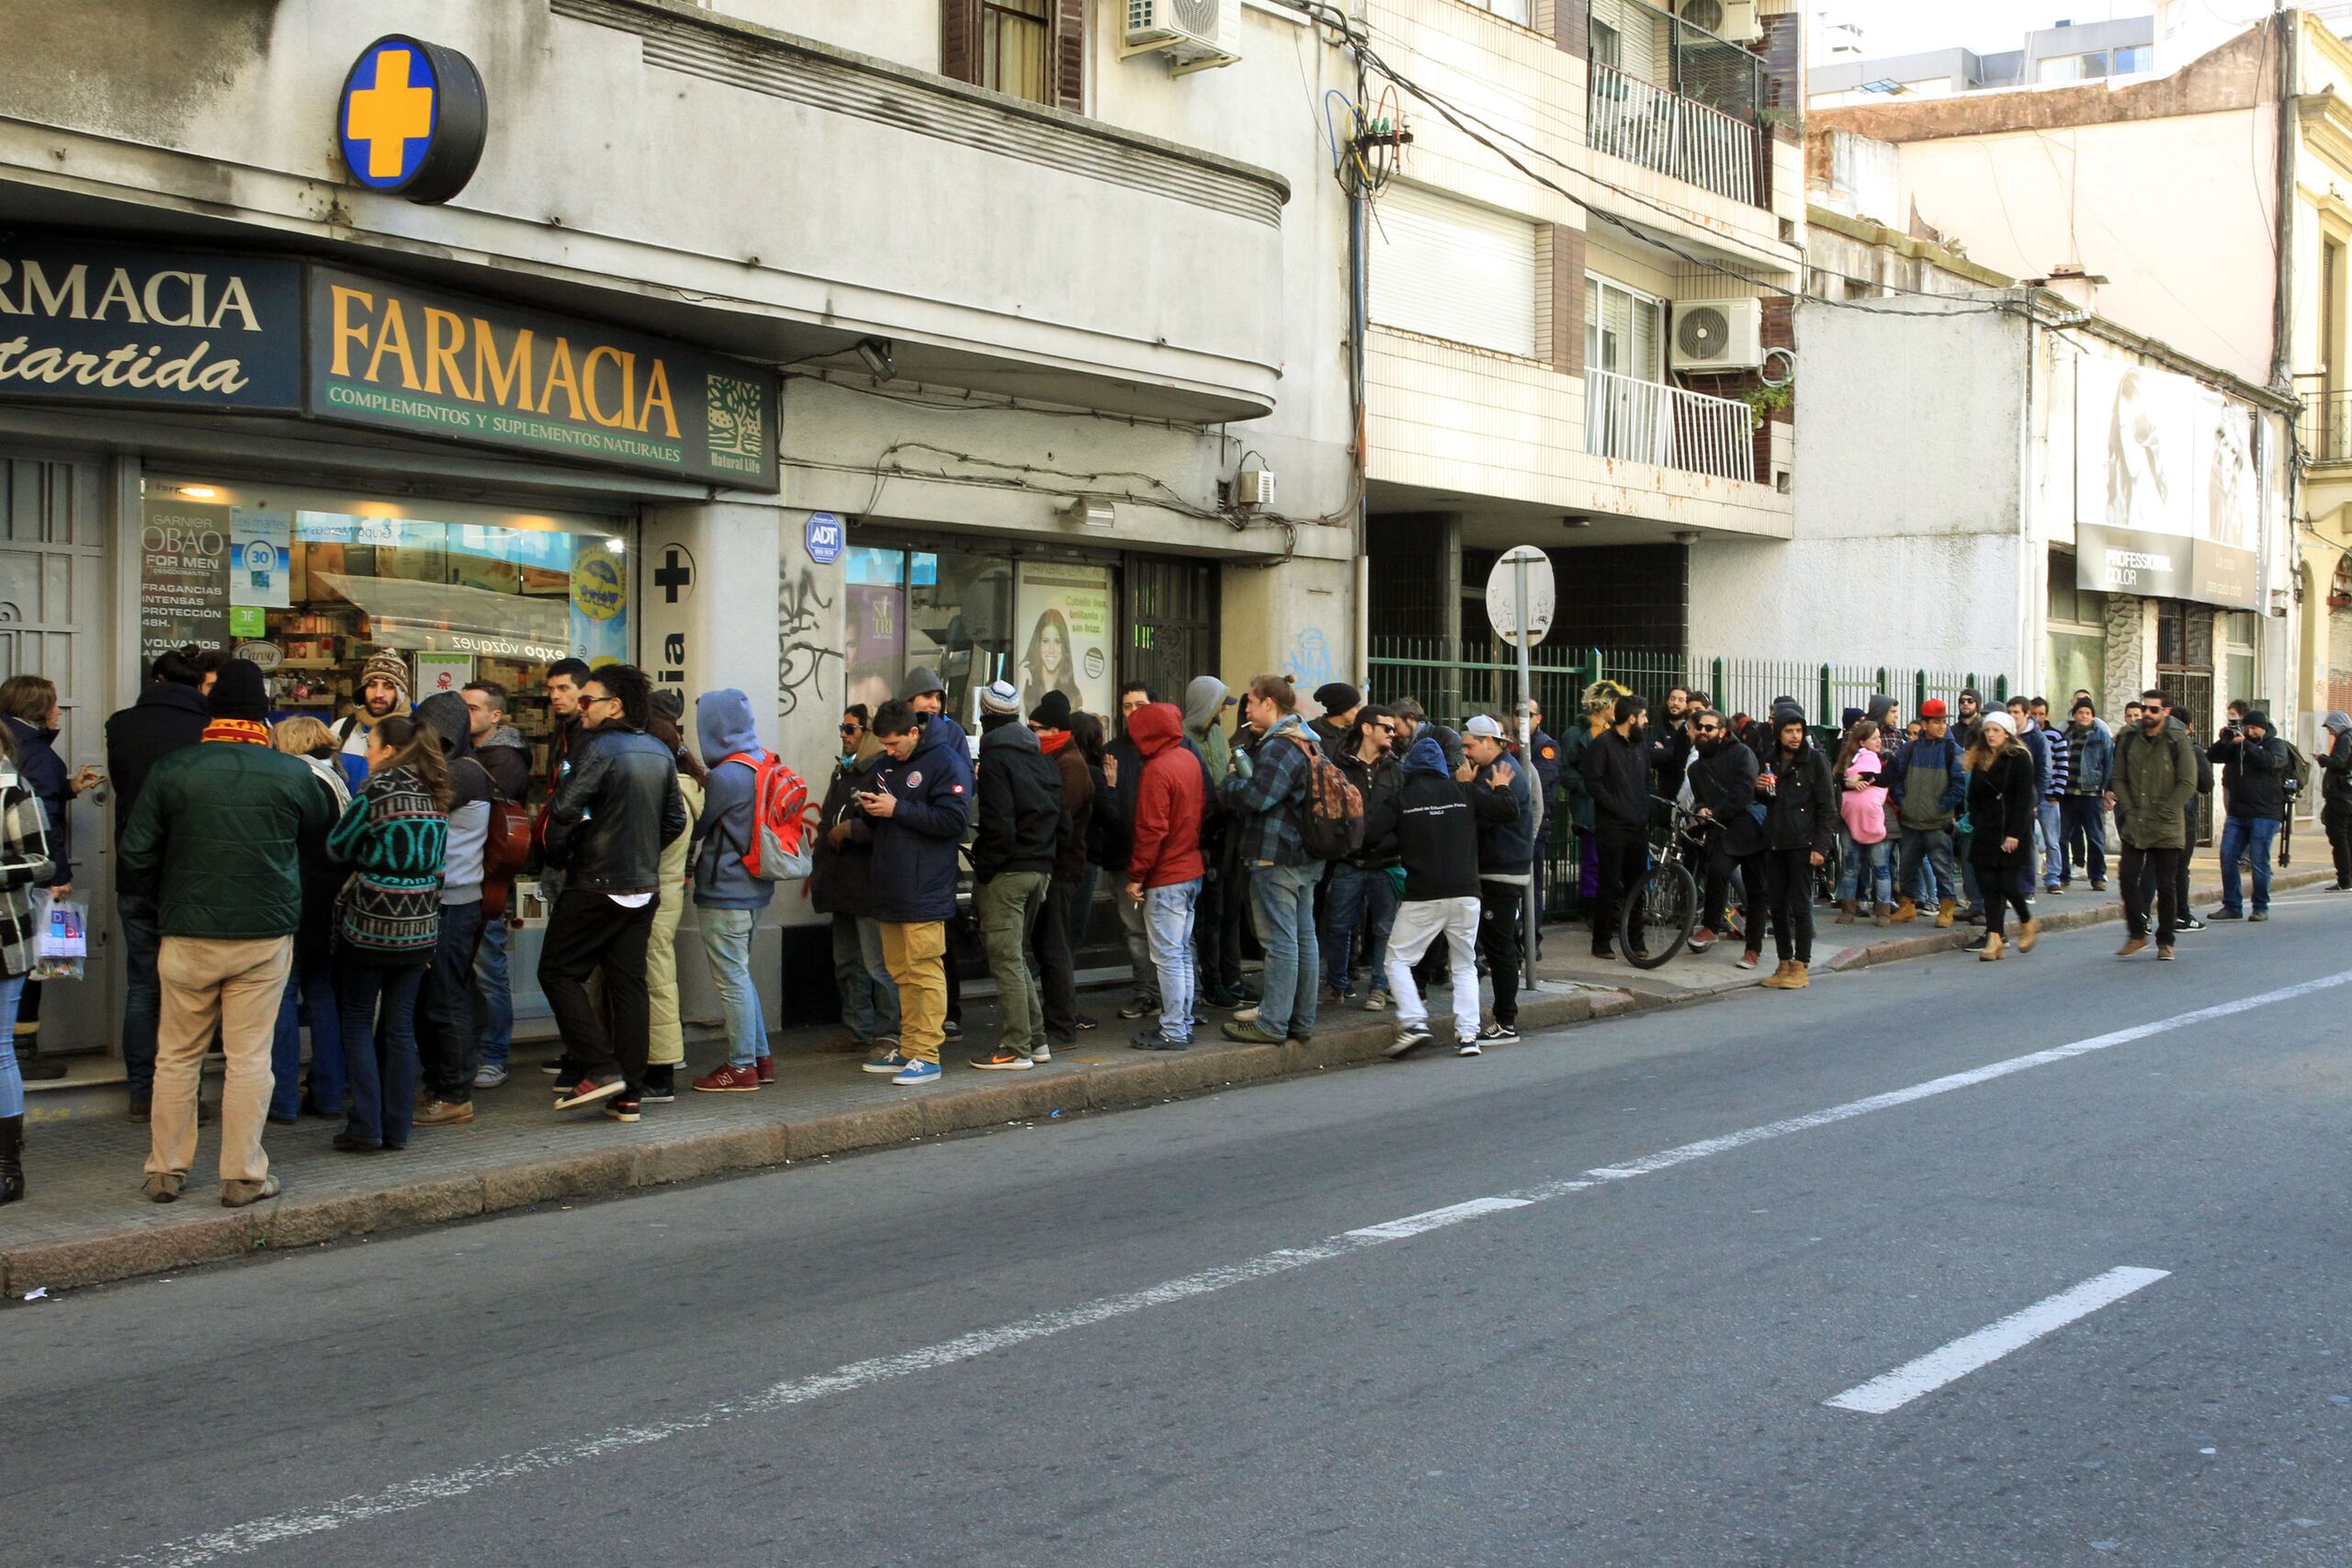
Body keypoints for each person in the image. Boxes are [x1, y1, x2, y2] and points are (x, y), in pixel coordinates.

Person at [119, 660, 333, 1204]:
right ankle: (243, 1174)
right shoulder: (291, 774)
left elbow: (136, 855)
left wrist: (167, 897)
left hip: (187, 932)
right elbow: (318, 841)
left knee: (177, 1055)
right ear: (262, 715)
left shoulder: (174, 769)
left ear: (211, 712)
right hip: (263, 934)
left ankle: (166, 1169)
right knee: (249, 1058)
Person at [540, 666, 687, 1122]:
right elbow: (675, 822)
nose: (580, 708)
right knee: (629, 987)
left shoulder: (600, 747)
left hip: (596, 883)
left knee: (557, 972)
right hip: (642, 887)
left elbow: (564, 807)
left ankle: (601, 1067)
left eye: (588, 700)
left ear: (614, 706)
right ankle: (631, 1093)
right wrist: (640, 850)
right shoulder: (660, 752)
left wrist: (581, 834)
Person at [327, 713, 448, 1153]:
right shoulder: (436, 793)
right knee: (400, 1026)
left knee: (357, 1020)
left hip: (371, 923)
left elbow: (338, 845)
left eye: (372, 745)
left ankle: (365, 1125)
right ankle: (397, 1127)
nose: (368, 753)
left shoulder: (377, 790)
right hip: (420, 924)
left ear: (390, 752)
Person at [107, 647, 213, 1116]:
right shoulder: (207, 730)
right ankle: (182, 1094)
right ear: (197, 685)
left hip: (135, 869)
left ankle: (142, 1091)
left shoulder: (120, 725)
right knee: (189, 988)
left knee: (143, 983)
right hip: (187, 874)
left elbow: (120, 785)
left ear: (155, 680)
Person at [1371, 729, 1520, 1058]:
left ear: (1409, 768)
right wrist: (1502, 787)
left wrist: (1403, 840)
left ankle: (1414, 1022)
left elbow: (1370, 835)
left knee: (1397, 959)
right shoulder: (1463, 791)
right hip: (1467, 893)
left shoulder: (1401, 800)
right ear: (1442, 765)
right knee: (1464, 964)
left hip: (1423, 894)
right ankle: (1468, 1037)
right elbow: (1508, 811)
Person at [856, 697, 971, 1086]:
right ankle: (908, 1047)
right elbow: (879, 814)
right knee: (901, 972)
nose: (889, 752)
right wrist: (868, 808)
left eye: (895, 744)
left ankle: (927, 1053)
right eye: (884, 746)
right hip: (890, 884)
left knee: (924, 970)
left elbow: (955, 819)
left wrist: (897, 809)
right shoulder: (886, 766)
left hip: (925, 887)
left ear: (913, 732)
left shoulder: (946, 762)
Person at [0, 673, 97, 1084]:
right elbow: (42, 817)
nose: (59, 709)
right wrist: (56, 873)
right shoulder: (34, 753)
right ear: (38, 709)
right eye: (53, 703)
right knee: (31, 962)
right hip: (27, 876)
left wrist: (69, 788)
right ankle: (23, 1052)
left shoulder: (18, 743)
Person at [406, 694, 495, 1128]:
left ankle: (454, 1092)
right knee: (439, 996)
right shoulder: (462, 767)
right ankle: (445, 1082)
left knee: (444, 999)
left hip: (452, 901)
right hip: (450, 899)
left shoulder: (459, 773)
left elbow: (412, 808)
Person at [968, 680, 1064, 1072]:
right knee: (1017, 958)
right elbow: (1064, 820)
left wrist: (986, 866)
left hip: (1008, 872)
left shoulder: (995, 761)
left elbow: (999, 826)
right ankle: (1036, 1039)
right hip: (1040, 869)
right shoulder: (1040, 757)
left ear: (986, 718)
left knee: (1005, 960)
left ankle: (1016, 1047)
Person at [1219, 676, 1319, 1045]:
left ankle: (1274, 1023)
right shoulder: (1308, 742)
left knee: (1280, 942)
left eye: (1251, 702)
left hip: (1276, 856)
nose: (1246, 709)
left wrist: (1231, 782)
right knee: (1303, 938)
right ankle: (1301, 1020)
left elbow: (1256, 799)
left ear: (1270, 704)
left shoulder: (1281, 746)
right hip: (1306, 857)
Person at [689, 689, 779, 1093]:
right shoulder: (764, 762)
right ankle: (760, 1058)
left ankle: (741, 1066)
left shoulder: (726, 777)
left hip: (725, 889)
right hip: (756, 885)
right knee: (741, 975)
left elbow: (696, 827)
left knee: (731, 980)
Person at [267, 716, 350, 1123]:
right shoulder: (338, 779)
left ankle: (281, 1098)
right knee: (324, 995)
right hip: (331, 905)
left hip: (294, 902)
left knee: (283, 994)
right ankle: (329, 1094)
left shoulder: (294, 780)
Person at [810, 705, 899, 1063]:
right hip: (841, 880)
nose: (844, 736)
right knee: (847, 961)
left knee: (877, 964)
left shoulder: (881, 770)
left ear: (868, 733)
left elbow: (887, 824)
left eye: (850, 729)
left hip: (866, 883)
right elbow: (830, 815)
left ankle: (889, 1032)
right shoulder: (843, 770)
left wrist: (851, 830)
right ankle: (858, 1029)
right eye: (842, 729)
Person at [1125, 699, 1206, 1050]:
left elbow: (1151, 830)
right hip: (1190, 869)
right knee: (1182, 952)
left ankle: (1173, 1029)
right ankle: (1182, 1023)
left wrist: (1136, 876)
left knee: (1168, 957)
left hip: (1167, 877)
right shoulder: (1188, 759)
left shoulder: (1156, 770)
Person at [460, 680, 528, 1088]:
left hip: (486, 878)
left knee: (488, 971)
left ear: (495, 715)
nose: (465, 715)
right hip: (477, 876)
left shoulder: (503, 758)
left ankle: (495, 1054)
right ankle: (476, 1050)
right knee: (473, 970)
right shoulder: (477, 754)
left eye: (472, 708)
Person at [0, 719, 55, 1201]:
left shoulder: (13, 792)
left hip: (3, 939)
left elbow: (42, 861)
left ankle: (7, 1167)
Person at [642, 695, 707, 1101]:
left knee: (657, 981)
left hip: (654, 897)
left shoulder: (673, 792)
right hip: (663, 895)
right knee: (656, 979)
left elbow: (656, 845)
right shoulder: (685, 785)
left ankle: (661, 1070)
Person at [1322, 705, 1402, 1010]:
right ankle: (1337, 984)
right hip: (1349, 861)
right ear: (1367, 729)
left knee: (1384, 928)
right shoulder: (1340, 766)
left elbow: (1402, 813)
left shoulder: (1396, 769)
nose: (1393, 734)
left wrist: (1390, 843)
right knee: (1339, 926)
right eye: (1387, 728)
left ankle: (1379, 988)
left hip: (1387, 862)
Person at [2111, 688, 2198, 960]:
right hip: (2136, 821)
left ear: (2166, 712)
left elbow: (2188, 782)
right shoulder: (2128, 738)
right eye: (2145, 708)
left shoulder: (2177, 740)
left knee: (2166, 884)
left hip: (2167, 823)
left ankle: (2166, 941)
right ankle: (2137, 933)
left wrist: (2168, 809)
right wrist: (2126, 807)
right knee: (2127, 877)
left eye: (2153, 709)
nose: (2147, 714)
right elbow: (2118, 778)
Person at [1462, 714, 1532, 1042]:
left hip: (1501, 870)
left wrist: (1467, 790)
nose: (1466, 753)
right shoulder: (1493, 769)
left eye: (1470, 746)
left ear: (1489, 742)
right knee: (1493, 944)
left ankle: (1506, 1021)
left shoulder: (1502, 771)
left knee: (1500, 946)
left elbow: (1492, 815)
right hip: (1497, 867)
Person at [1030, 690, 1094, 1046]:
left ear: (1053, 730)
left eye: (1036, 728)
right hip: (1055, 866)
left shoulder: (1068, 763)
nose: (1031, 734)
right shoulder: (1055, 759)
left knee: (1054, 947)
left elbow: (1059, 818)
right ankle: (1059, 1018)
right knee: (1049, 946)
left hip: (1063, 869)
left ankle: (1062, 1023)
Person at [1754, 707, 1835, 990]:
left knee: (1800, 905)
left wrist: (1821, 846)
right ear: (1779, 733)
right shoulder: (1770, 759)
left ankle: (1801, 965)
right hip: (1775, 841)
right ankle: (1783, 962)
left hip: (1803, 843)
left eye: (1799, 730)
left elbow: (1827, 808)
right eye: (1789, 731)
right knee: (1776, 904)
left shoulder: (1815, 761)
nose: (1795, 736)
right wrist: (1759, 788)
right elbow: (1765, 799)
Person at [1579, 694, 1650, 962]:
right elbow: (1593, 782)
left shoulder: (1640, 746)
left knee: (1637, 885)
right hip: (1612, 827)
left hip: (1638, 826)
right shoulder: (1602, 744)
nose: (1646, 721)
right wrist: (1617, 807)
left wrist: (1644, 810)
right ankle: (1601, 941)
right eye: (1643, 716)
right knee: (1608, 884)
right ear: (1631, 718)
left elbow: (1647, 783)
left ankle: (1636, 941)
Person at [1962, 710, 2039, 960]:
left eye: (1996, 730)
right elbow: (1973, 796)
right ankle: (1994, 937)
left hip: (2011, 830)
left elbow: (2023, 800)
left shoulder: (2019, 757)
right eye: (1987, 730)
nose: (1991, 734)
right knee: (1988, 885)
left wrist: (2015, 833)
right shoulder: (1980, 757)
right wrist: (1976, 819)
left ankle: (2027, 921)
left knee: (2007, 884)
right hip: (1986, 830)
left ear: (2007, 732)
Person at [1687, 711, 1762, 959]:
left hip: (1750, 828)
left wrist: (1715, 811)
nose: (1703, 732)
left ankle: (1753, 949)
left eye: (1709, 727)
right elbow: (1700, 800)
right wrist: (1702, 810)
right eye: (1700, 727)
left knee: (1755, 890)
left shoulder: (1741, 754)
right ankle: (1710, 927)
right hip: (1722, 831)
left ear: (1722, 731)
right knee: (1717, 870)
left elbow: (1744, 791)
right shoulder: (1696, 769)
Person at [1886, 698, 1967, 927]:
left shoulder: (1952, 750)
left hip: (1937, 823)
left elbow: (1958, 786)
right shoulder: (1909, 749)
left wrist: (1940, 808)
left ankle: (1946, 907)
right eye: (1937, 722)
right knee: (1907, 866)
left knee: (1942, 867)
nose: (1942, 726)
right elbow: (1897, 780)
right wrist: (1905, 803)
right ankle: (1907, 906)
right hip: (1911, 821)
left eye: (1944, 722)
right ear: (1924, 724)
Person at [1106, 682, 1158, 1020]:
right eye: (1127, 706)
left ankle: (1180, 999)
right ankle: (1146, 993)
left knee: (1170, 932)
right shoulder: (1113, 751)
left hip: (1164, 858)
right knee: (1136, 931)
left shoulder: (1166, 747)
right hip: (1126, 855)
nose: (1134, 712)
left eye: (1140, 704)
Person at [2207, 706, 2288, 922]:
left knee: (2259, 860)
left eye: (2254, 728)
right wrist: (2224, 740)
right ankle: (2232, 905)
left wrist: (2246, 744)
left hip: (2265, 812)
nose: (2250, 731)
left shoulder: (2275, 745)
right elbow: (2212, 756)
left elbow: (2270, 762)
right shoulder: (2237, 744)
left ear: (2263, 729)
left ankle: (2260, 906)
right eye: (2247, 727)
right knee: (2227, 856)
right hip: (2237, 812)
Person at [2008, 697, 2069, 894]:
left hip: (2039, 798)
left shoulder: (2038, 738)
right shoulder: (2006, 736)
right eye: (2009, 712)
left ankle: (2049, 879)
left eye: (2016, 712)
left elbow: (2046, 771)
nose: (2012, 716)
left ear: (2025, 714)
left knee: (2048, 841)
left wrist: (2037, 797)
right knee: (2019, 841)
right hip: (2013, 800)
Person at [330, 650, 412, 793]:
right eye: (372, 685)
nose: (378, 694)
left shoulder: (412, 734)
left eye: (388, 686)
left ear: (400, 694)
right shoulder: (342, 728)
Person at [2059, 698, 2114, 892]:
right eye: (2080, 712)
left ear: (2093, 716)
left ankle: (2098, 876)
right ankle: (2063, 875)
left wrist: (2107, 790)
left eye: (2088, 713)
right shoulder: (2065, 734)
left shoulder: (2101, 736)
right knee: (2062, 837)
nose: (2084, 716)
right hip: (2067, 794)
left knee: (2095, 836)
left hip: (2091, 794)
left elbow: (2109, 763)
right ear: (2074, 715)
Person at [1838, 745, 1894, 926]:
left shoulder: (1885, 759)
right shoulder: (1846, 759)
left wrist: (1864, 776)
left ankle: (1883, 911)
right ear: (1862, 741)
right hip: (1849, 823)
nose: (1879, 741)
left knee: (1881, 868)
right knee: (1850, 868)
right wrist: (1848, 782)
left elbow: (1888, 778)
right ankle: (1848, 909)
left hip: (1877, 823)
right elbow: (1834, 780)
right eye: (1874, 738)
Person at [1017, 607, 1085, 715]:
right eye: (1045, 641)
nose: (1051, 650)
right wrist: (1020, 690)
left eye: (1057, 642)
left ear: (1064, 647)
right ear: (1038, 645)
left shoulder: (1073, 694)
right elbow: (1017, 730)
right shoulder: (1025, 688)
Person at [2321, 711, 2352, 891]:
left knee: (2338, 836)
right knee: (2347, 836)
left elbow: (2339, 763)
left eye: (2331, 728)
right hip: (2347, 796)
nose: (2331, 733)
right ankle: (2348, 877)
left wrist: (2323, 759)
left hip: (2340, 797)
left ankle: (2345, 878)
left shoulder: (2345, 739)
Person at [1310, 682, 1362, 757]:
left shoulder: (1359, 735)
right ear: (1343, 709)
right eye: (1357, 707)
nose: (1360, 712)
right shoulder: (1311, 734)